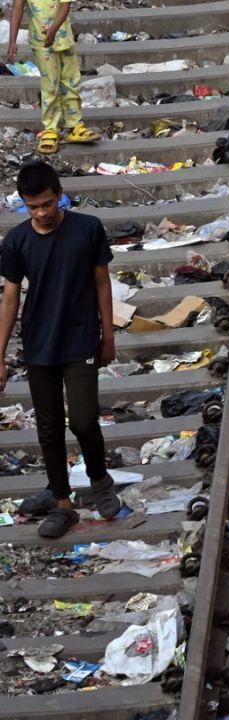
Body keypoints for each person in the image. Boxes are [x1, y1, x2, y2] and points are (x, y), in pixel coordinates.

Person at [1, 161, 119, 538]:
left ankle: (100, 481)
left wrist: (109, 335)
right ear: (23, 204)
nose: (42, 213)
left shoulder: (87, 229)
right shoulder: (17, 240)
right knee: (49, 429)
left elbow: (102, 283)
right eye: (32, 207)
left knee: (84, 420)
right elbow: (9, 298)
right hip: (39, 342)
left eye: (48, 204)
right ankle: (63, 504)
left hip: (81, 337)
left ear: (60, 194)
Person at [6, 0, 101, 155]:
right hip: (41, 42)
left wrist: (54, 30)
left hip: (64, 39)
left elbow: (65, 5)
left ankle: (74, 124)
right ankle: (50, 128)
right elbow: (18, 7)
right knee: (50, 84)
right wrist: (12, 41)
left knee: (71, 81)